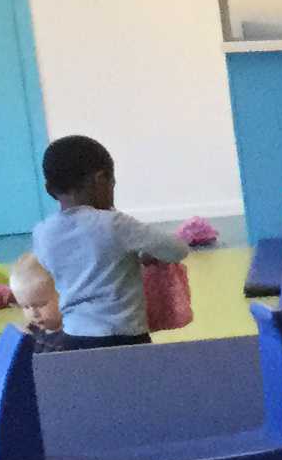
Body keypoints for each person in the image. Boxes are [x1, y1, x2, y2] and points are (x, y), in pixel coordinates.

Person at [30, 136, 187, 348]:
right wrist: (148, 255)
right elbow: (176, 249)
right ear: (101, 180)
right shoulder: (114, 224)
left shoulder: (42, 232)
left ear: (49, 189)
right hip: (125, 335)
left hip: (74, 336)